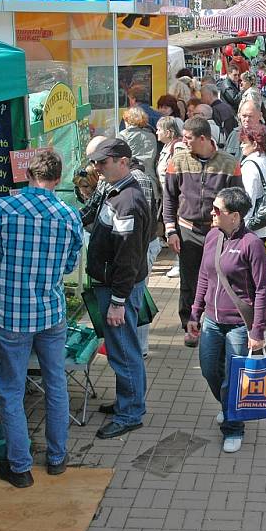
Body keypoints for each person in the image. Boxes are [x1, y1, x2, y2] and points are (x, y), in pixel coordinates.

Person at [0, 149, 83, 488]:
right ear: (57, 179)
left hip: (11, 313)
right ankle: (56, 458)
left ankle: (20, 467)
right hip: (50, 312)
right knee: (55, 384)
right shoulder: (69, 216)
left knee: (11, 390)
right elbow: (68, 266)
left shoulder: (0, 208)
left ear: (27, 175)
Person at [187, 187, 266, 453]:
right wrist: (195, 312)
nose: (211, 214)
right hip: (212, 321)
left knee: (234, 379)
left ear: (234, 216)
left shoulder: (252, 244)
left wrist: (256, 330)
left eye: (217, 210)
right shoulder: (213, 236)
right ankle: (228, 405)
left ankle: (234, 427)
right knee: (209, 370)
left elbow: (261, 290)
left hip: (238, 324)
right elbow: (203, 276)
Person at [86, 138, 152, 439]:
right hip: (114, 284)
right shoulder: (117, 192)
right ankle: (128, 402)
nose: (97, 168)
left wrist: (117, 301)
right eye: (96, 163)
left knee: (124, 352)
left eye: (103, 162)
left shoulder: (127, 200)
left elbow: (128, 256)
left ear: (122, 161)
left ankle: (130, 413)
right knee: (121, 349)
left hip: (118, 288)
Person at [163, 117, 242, 347]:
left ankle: (217, 323)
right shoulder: (177, 161)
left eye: (188, 138)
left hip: (217, 233)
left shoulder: (229, 163)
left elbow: (237, 200)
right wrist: (170, 230)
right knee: (189, 281)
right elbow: (169, 197)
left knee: (219, 278)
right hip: (187, 231)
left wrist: (233, 233)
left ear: (204, 138)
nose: (184, 142)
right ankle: (190, 325)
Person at [239, 125, 266, 240]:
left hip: (253, 228)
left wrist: (242, 226)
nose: (241, 146)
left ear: (255, 144)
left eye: (244, 142)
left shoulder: (250, 166)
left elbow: (248, 197)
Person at [156, 117, 184, 278]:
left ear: (169, 131)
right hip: (168, 195)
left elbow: (180, 172)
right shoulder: (167, 146)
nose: (157, 132)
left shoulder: (177, 146)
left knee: (177, 229)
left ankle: (180, 263)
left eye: (159, 129)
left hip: (177, 197)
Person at [118, 106, 160, 202]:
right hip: (151, 180)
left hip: (131, 181)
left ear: (128, 120)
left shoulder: (122, 136)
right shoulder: (151, 136)